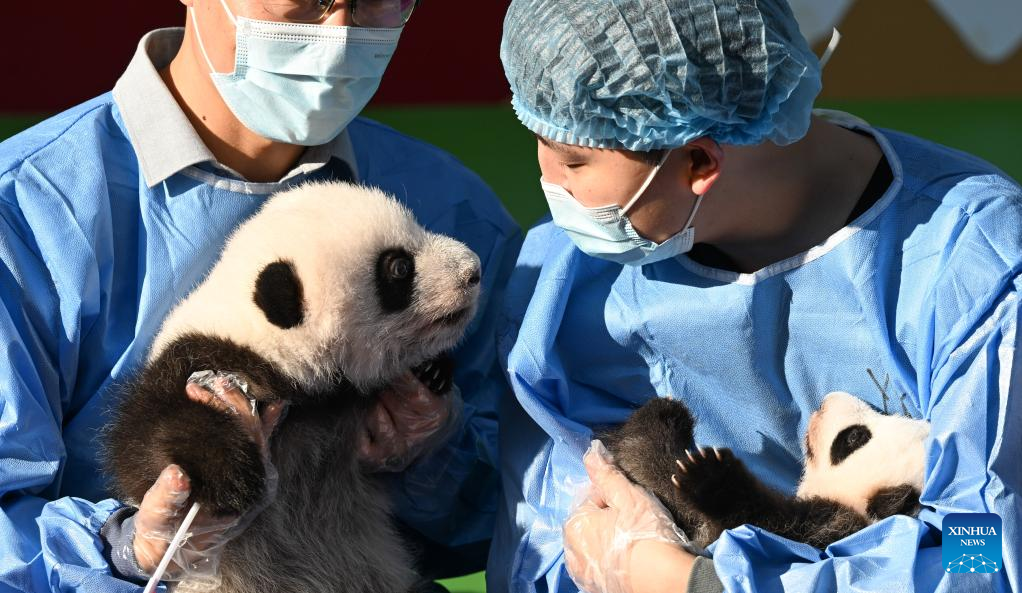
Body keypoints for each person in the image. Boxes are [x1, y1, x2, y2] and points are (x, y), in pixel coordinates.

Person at [490, 0, 1021, 592]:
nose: (550, 181)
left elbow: (985, 553)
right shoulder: (567, 281)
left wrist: (702, 582)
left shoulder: (972, 266)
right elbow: (545, 537)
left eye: (574, 159)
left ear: (698, 160)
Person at [0, 0, 520, 590]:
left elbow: (508, 520)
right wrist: (125, 550)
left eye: (377, 0)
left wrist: (435, 451)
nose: (341, 32)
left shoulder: (453, 202)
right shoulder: (24, 216)